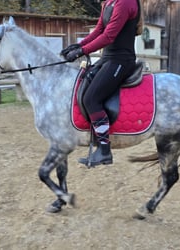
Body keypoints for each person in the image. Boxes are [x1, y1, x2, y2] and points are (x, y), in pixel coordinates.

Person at [61, 0, 143, 167]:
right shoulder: (109, 2)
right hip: (107, 59)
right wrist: (78, 45)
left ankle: (104, 150)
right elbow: (99, 30)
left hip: (121, 60)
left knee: (92, 99)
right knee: (83, 89)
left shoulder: (126, 3)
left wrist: (82, 52)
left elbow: (108, 36)